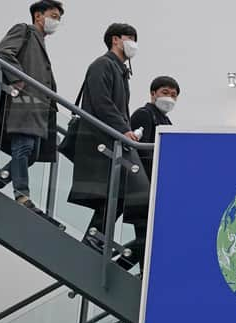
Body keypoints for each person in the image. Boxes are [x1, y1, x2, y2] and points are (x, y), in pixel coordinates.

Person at [67, 23, 149, 270]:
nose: (133, 43)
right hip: (101, 141)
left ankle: (95, 237)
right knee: (119, 192)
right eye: (130, 38)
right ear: (115, 40)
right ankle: (95, 238)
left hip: (112, 142)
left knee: (118, 194)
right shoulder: (102, 65)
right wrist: (123, 130)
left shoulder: (120, 71)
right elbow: (102, 103)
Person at [0, 1, 64, 223]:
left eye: (59, 18)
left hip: (37, 111)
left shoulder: (40, 41)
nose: (56, 22)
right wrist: (18, 79)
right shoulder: (24, 30)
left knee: (30, 154)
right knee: (23, 148)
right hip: (22, 104)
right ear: (38, 16)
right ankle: (22, 195)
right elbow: (4, 52)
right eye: (53, 15)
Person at [130, 76, 180, 179]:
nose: (169, 98)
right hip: (145, 178)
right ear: (153, 94)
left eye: (173, 95)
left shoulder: (167, 122)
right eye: (165, 93)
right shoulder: (144, 114)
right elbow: (142, 153)